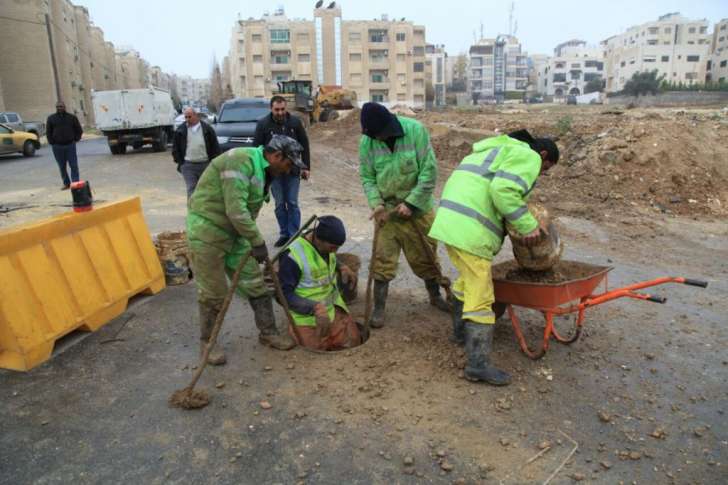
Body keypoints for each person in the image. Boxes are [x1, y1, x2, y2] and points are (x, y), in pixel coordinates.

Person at [429, 129, 560, 386]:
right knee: (481, 297)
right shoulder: (528, 156)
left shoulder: (491, 151)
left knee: (466, 282)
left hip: (449, 222)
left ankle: (459, 335)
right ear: (543, 154)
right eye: (545, 169)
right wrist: (527, 226)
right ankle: (477, 365)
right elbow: (503, 190)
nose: (541, 174)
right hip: (470, 230)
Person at [187, 135, 305, 364]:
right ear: (276, 156)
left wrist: (250, 239)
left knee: (255, 284)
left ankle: (268, 333)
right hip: (208, 232)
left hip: (236, 234)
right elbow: (236, 210)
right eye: (288, 163)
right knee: (214, 293)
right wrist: (258, 242)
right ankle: (207, 344)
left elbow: (243, 214)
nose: (288, 169)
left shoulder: (265, 170)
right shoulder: (240, 161)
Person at [358, 102, 449, 329]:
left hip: (417, 210)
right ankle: (379, 307)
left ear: (388, 126)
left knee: (426, 257)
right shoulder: (367, 142)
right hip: (387, 214)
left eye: (379, 135)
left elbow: (429, 172)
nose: (377, 140)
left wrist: (411, 202)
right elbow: (368, 178)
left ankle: (435, 296)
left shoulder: (415, 131)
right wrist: (376, 204)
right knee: (382, 261)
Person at [277, 215, 362, 351]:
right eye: (332, 247)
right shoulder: (292, 257)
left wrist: (341, 266)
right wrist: (314, 308)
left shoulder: (326, 246)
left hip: (332, 310)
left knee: (352, 341)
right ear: (317, 239)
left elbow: (326, 259)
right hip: (306, 318)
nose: (335, 252)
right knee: (317, 349)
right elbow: (283, 295)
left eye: (337, 248)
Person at [253, 95, 311, 247]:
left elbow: (304, 144)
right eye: (276, 109)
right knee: (279, 204)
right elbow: (256, 148)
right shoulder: (263, 124)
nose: (280, 112)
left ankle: (294, 235)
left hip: (292, 170)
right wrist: (261, 171)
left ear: (286, 108)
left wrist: (306, 167)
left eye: (282, 109)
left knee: (292, 202)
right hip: (273, 173)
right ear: (271, 109)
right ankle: (284, 234)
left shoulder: (295, 123)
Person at [172, 107, 221, 198]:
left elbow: (215, 147)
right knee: (191, 189)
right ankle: (192, 210)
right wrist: (181, 163)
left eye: (189, 117)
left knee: (206, 189)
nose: (187, 119)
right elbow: (175, 148)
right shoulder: (181, 130)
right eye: (185, 117)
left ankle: (204, 210)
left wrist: (214, 163)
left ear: (196, 116)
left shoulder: (207, 129)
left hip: (205, 164)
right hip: (188, 165)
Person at [46, 101, 83, 190]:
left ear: (65, 107)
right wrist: (52, 142)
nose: (60, 108)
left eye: (61, 106)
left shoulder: (72, 117)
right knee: (62, 166)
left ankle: (75, 183)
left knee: (73, 165)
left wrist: (75, 139)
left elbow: (79, 130)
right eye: (58, 107)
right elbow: (48, 132)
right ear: (56, 108)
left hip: (70, 145)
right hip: (57, 147)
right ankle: (66, 183)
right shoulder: (51, 118)